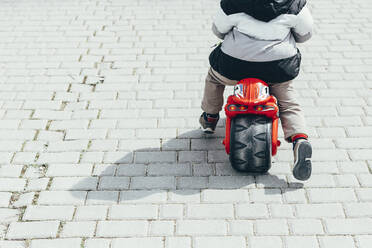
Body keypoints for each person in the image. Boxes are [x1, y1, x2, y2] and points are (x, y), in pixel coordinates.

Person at [199, 0, 314, 180]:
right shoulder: (294, 4)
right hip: (277, 67)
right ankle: (299, 139)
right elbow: (305, 34)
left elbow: (218, 31)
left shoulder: (232, 2)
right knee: (288, 101)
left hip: (235, 65)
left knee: (214, 78)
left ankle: (210, 117)